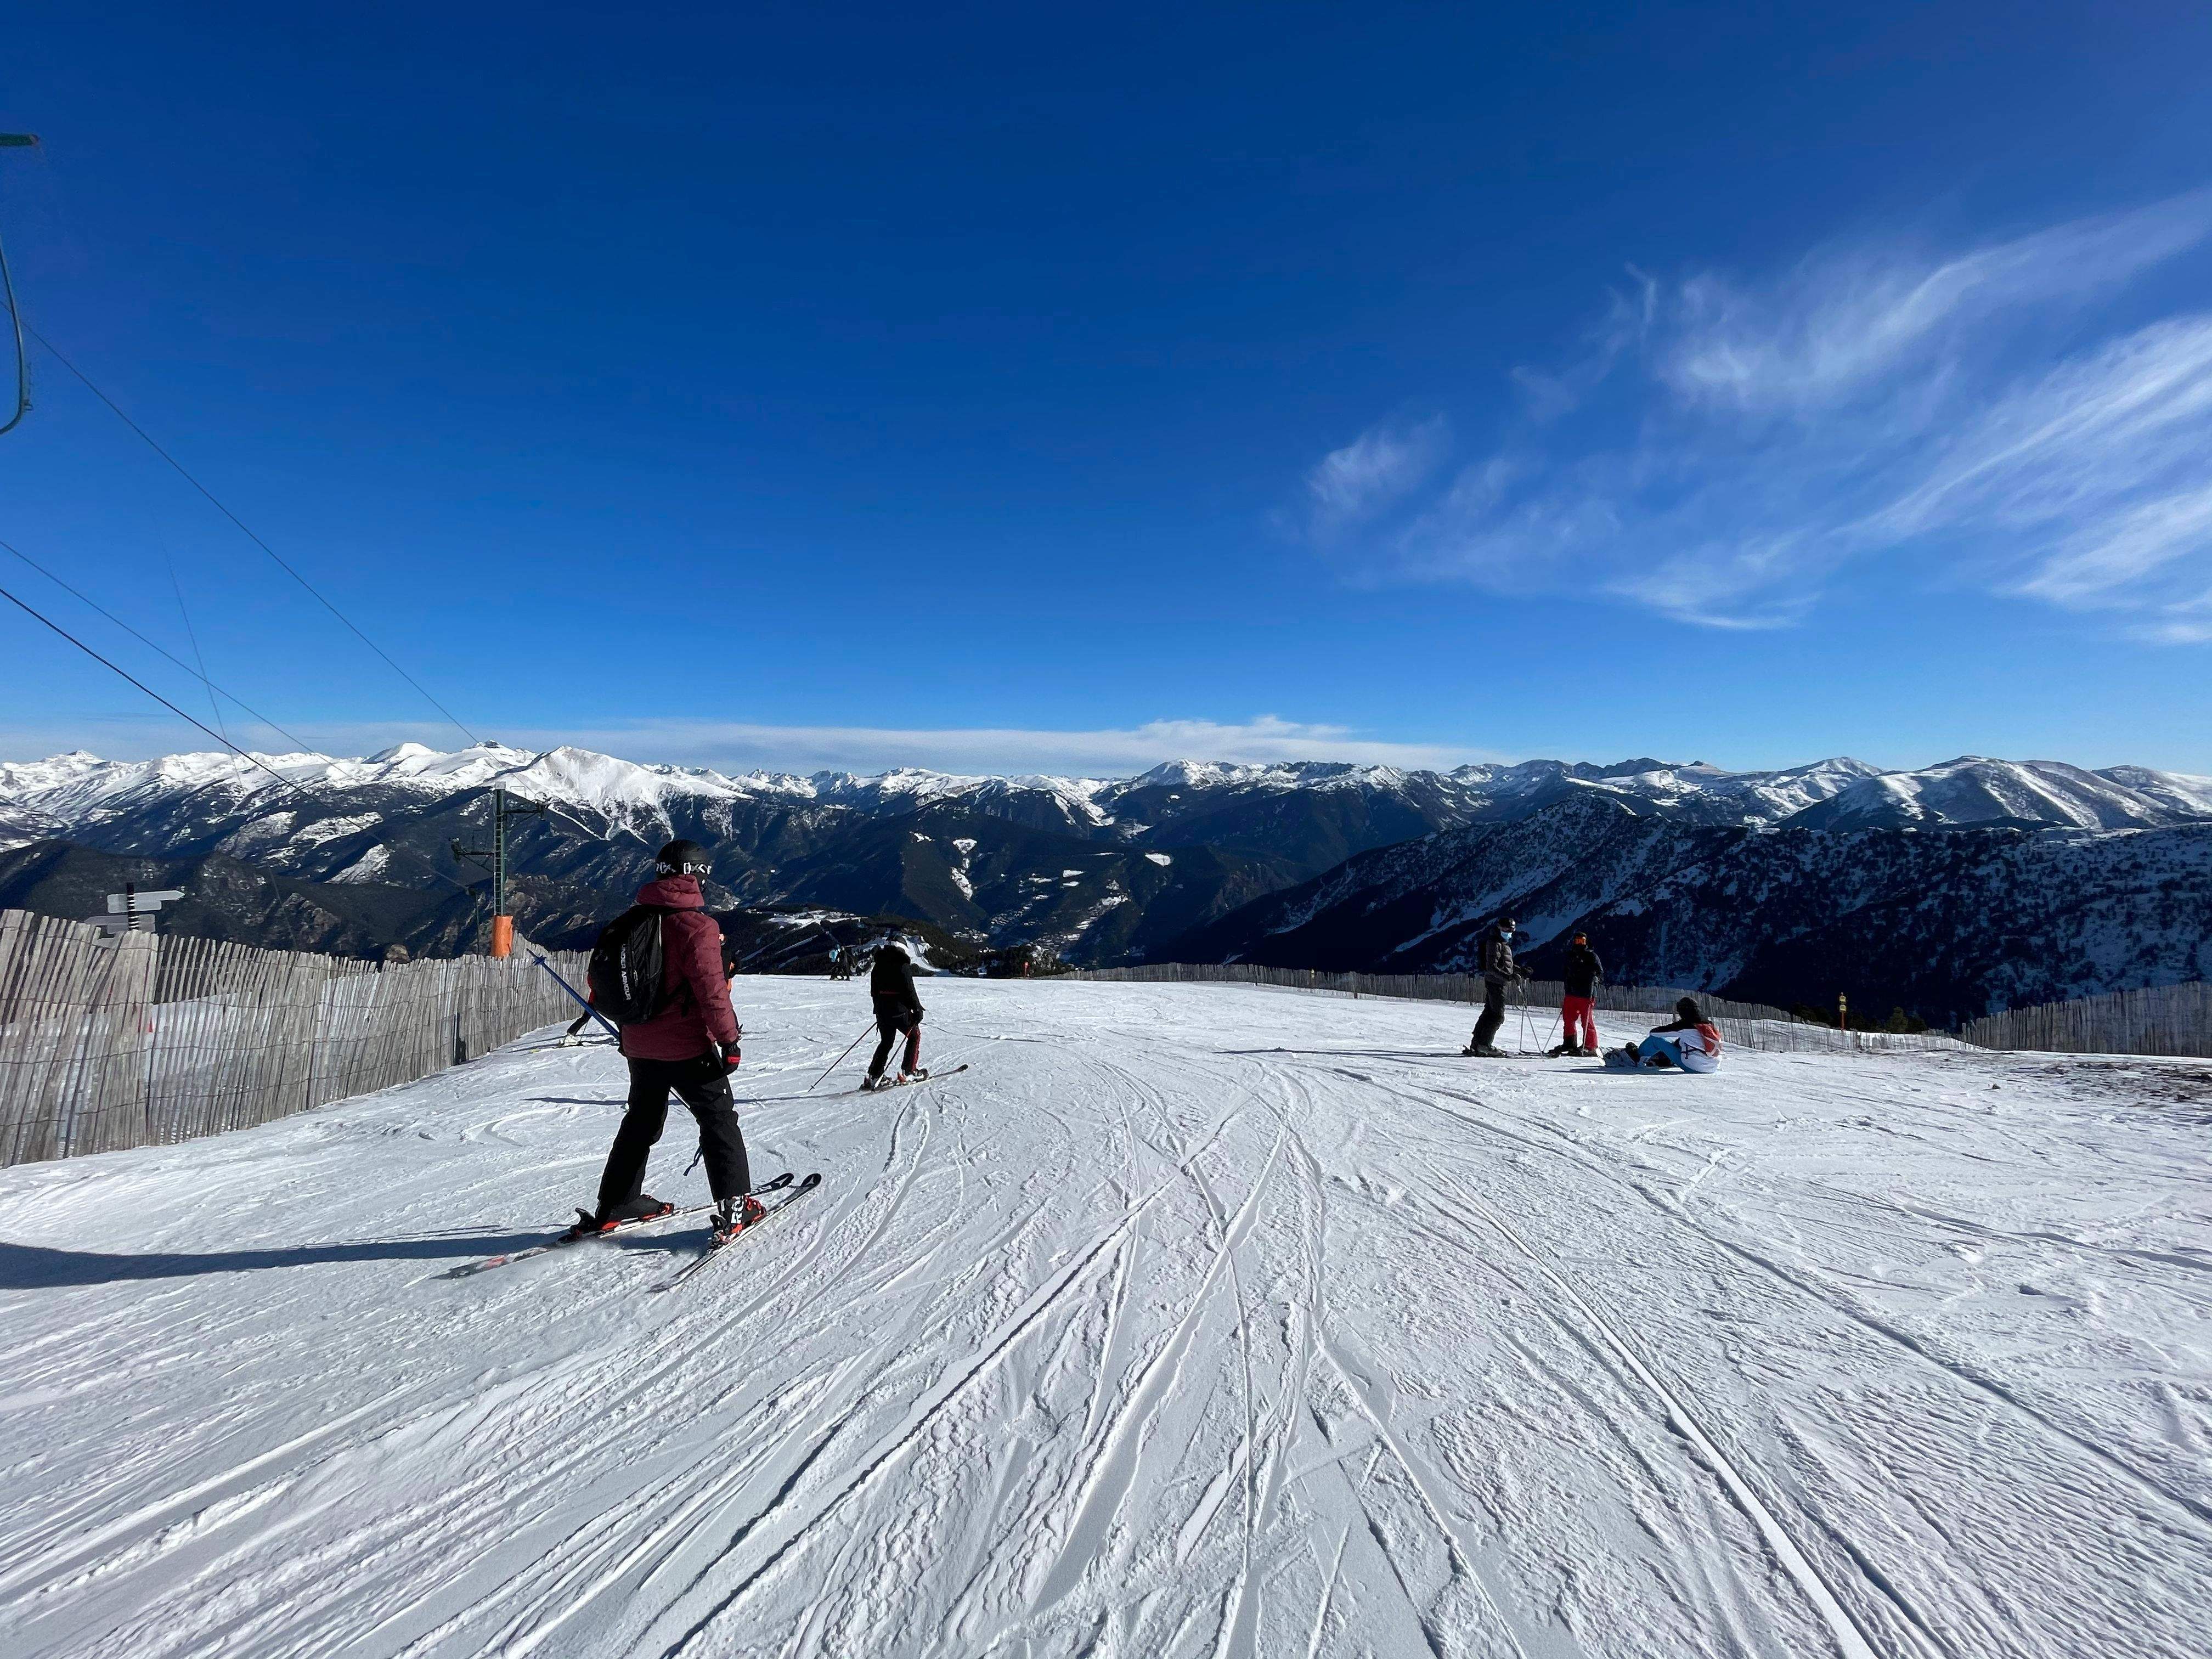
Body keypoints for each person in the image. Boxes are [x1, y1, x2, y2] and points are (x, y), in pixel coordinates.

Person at [579, 839, 764, 1242]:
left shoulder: (629, 922)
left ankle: (616, 1203)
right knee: (718, 1119)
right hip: (687, 1048)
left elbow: (598, 980)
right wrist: (730, 1041)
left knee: (641, 1121)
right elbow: (712, 993)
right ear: (699, 876)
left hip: (639, 1044)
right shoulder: (698, 928)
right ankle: (735, 1206)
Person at [864, 939, 928, 1090]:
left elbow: (874, 991)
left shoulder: (878, 965)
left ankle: (874, 1076)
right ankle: (910, 1072)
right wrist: (917, 1009)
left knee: (886, 1042)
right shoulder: (902, 965)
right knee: (914, 1036)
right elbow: (909, 990)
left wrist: (879, 1009)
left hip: (882, 1010)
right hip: (898, 1010)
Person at [1462, 916, 1530, 1057]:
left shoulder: (1502, 943)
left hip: (1497, 982)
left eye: (1511, 930)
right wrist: (1509, 977)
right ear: (1499, 928)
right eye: (1506, 929)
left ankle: (1477, 1044)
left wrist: (1519, 970)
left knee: (1489, 1013)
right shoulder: (1495, 943)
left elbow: (1504, 965)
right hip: (1496, 983)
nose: (1508, 933)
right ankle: (1484, 1045)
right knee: (1498, 1016)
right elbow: (1492, 967)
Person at [1615, 997, 1723, 1073]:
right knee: (1680, 1042)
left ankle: (1637, 1058)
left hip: (1695, 1066)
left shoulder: (1686, 1025)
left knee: (1656, 1040)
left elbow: (1655, 1033)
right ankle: (1668, 1059)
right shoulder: (1709, 1024)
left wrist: (1674, 1028)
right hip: (1712, 1067)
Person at [1550, 933, 1604, 1057]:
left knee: (1587, 1020)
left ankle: (1590, 1046)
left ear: (1586, 942)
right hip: (1571, 993)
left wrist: (1596, 979)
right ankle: (1570, 1043)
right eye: (1577, 941)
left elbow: (1600, 973)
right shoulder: (1571, 956)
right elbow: (1566, 972)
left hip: (1586, 994)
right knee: (1568, 1019)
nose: (1579, 943)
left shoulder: (1591, 956)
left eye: (1582, 941)